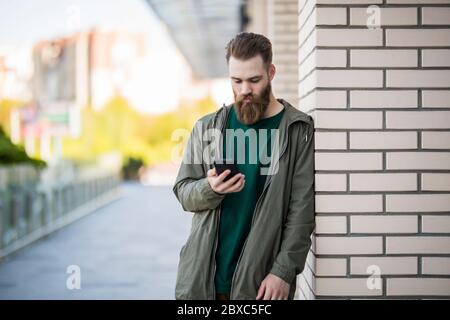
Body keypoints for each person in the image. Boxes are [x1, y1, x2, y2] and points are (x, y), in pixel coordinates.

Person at [173, 32, 315, 300]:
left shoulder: (298, 129)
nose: (244, 90)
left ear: (271, 72)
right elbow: (183, 192)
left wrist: (283, 271)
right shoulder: (206, 127)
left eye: (254, 80)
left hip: (261, 286)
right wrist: (209, 188)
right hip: (203, 283)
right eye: (236, 81)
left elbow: (301, 209)